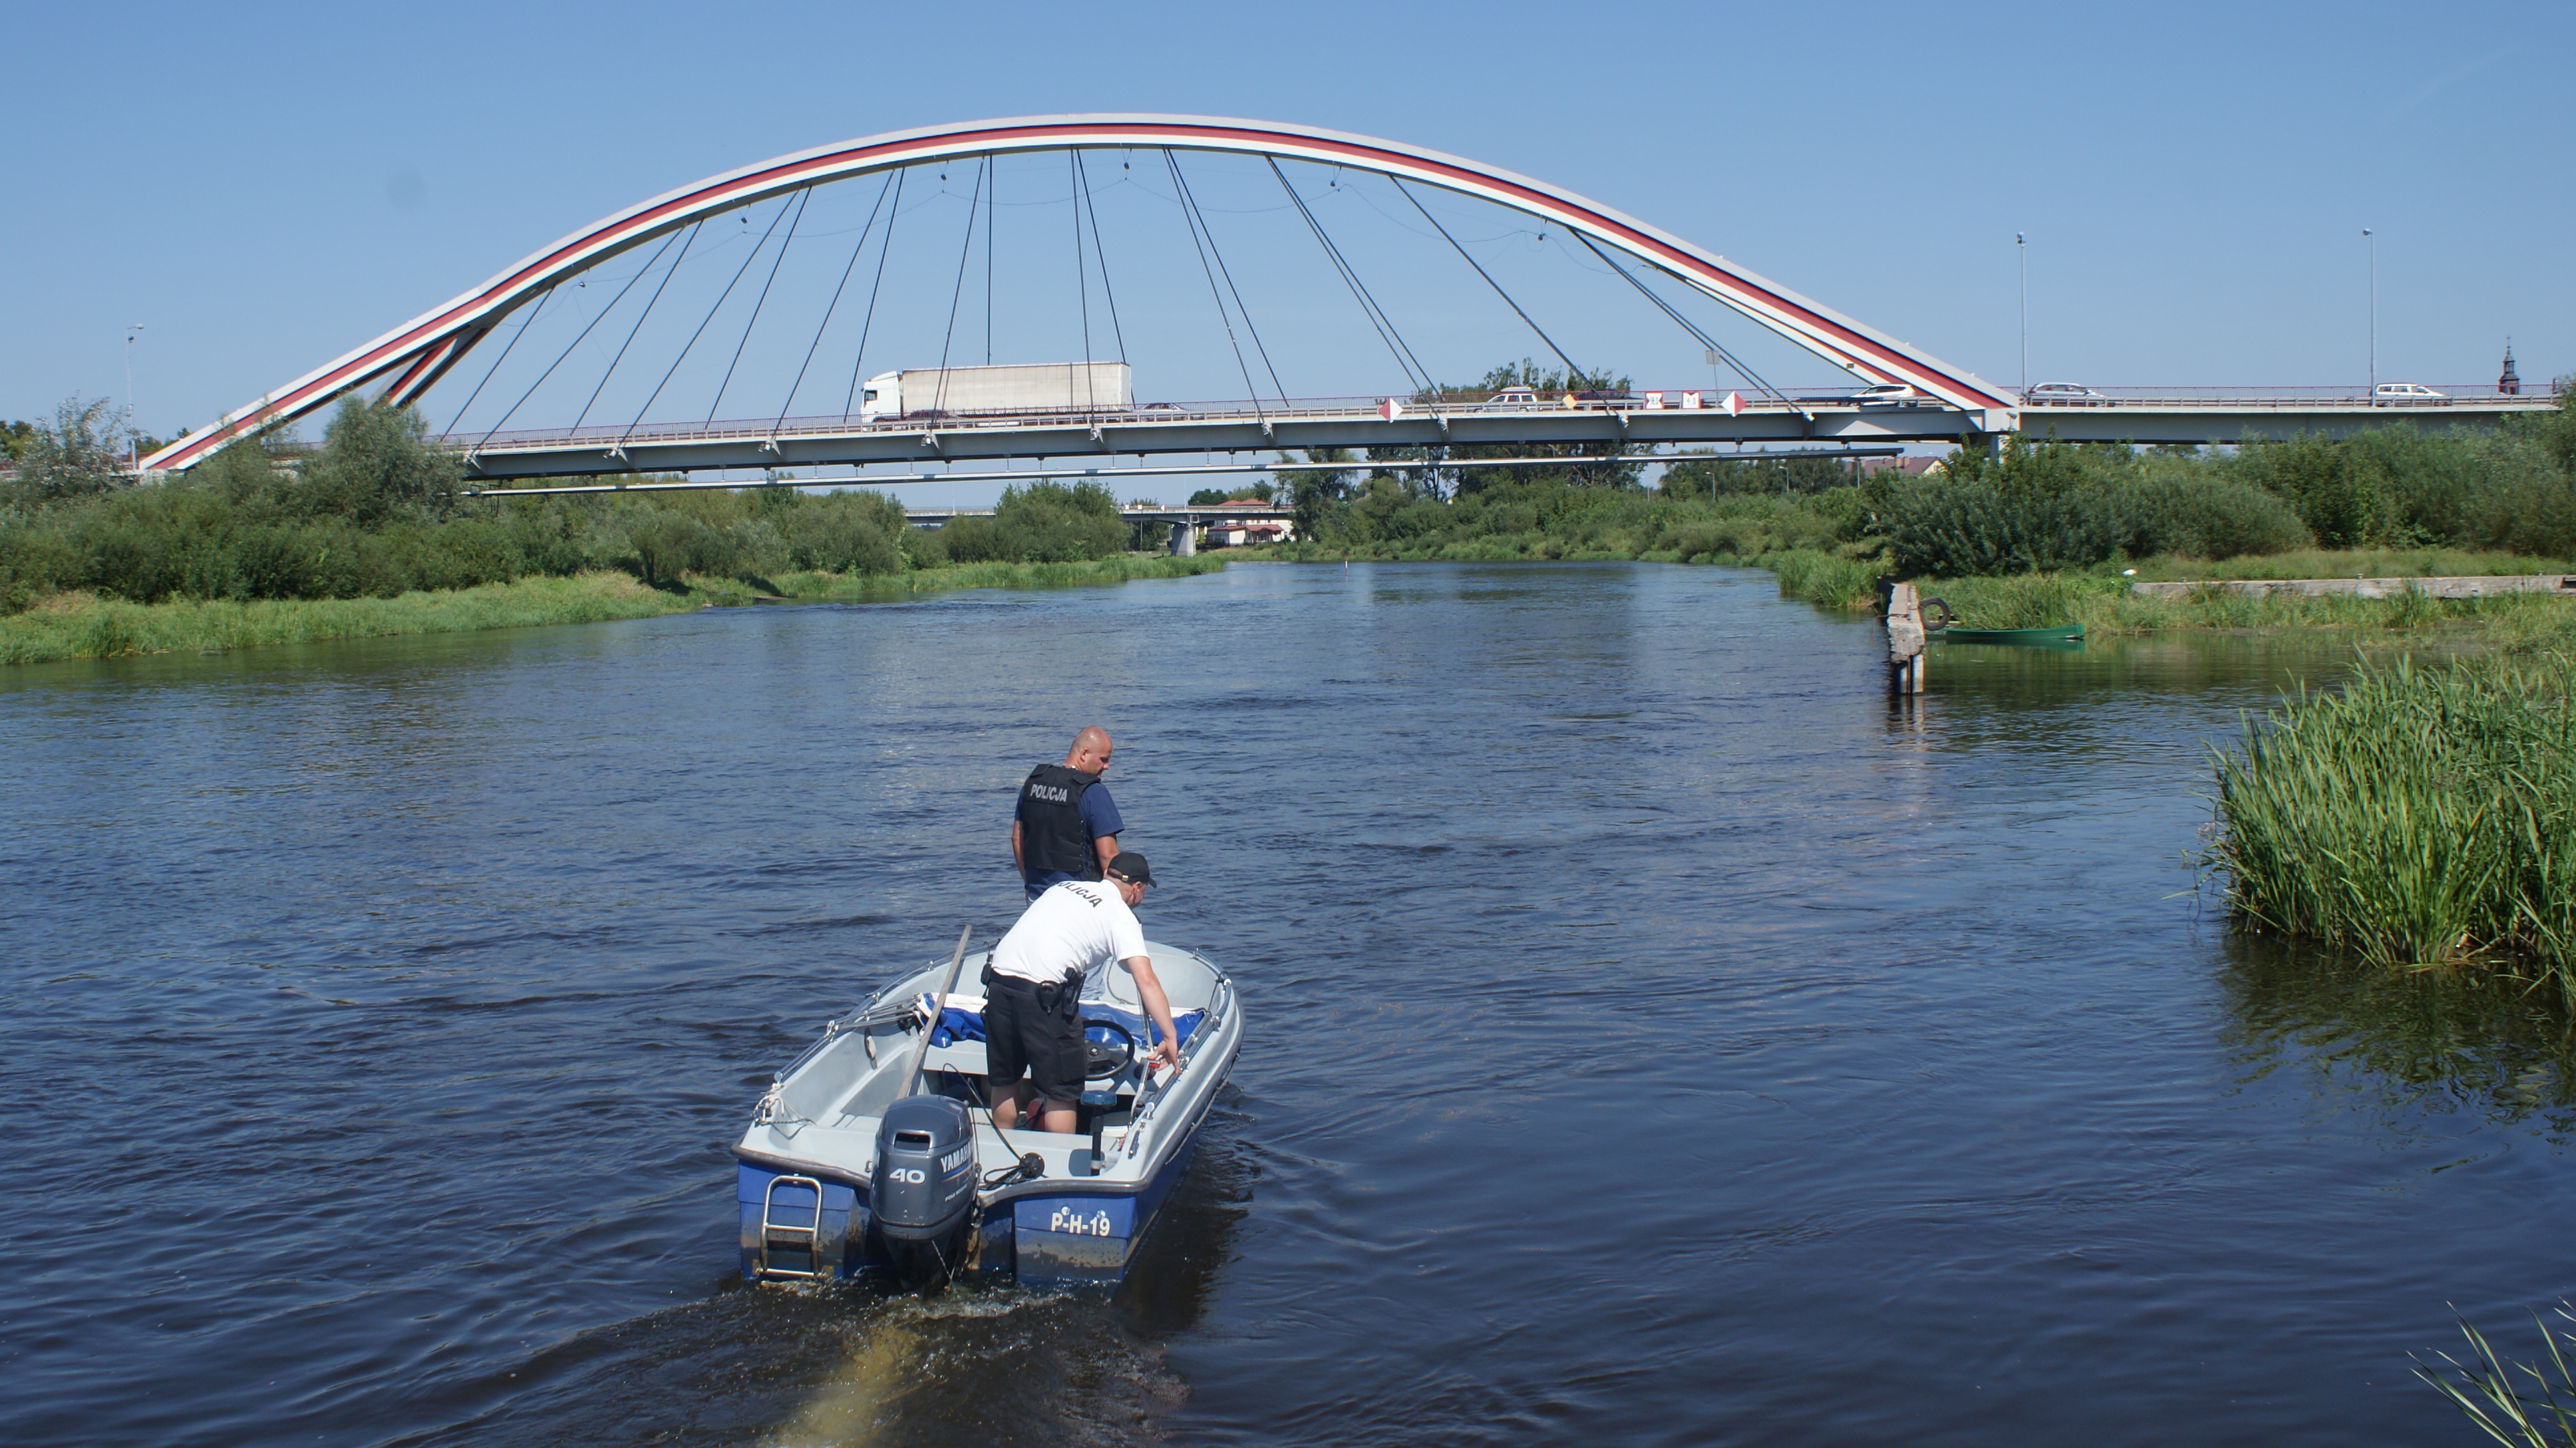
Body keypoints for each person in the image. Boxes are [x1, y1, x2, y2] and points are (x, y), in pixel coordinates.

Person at [983, 852, 1181, 1135]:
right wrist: (1170, 1037)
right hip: (1042, 996)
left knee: (1006, 1080)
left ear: (1107, 875)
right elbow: (1146, 980)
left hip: (998, 984)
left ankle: (1002, 1143)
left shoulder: (1063, 887)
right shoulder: (1121, 915)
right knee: (1061, 1093)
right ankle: (1057, 1159)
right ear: (1137, 888)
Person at [1012, 726, 1125, 902]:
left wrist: (1029, 884)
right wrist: (1118, 901)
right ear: (1084, 754)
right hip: (1082, 901)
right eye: (1103, 760)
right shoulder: (1093, 791)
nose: (1107, 766)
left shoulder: (1033, 783)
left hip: (1038, 898)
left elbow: (1017, 839)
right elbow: (1108, 855)